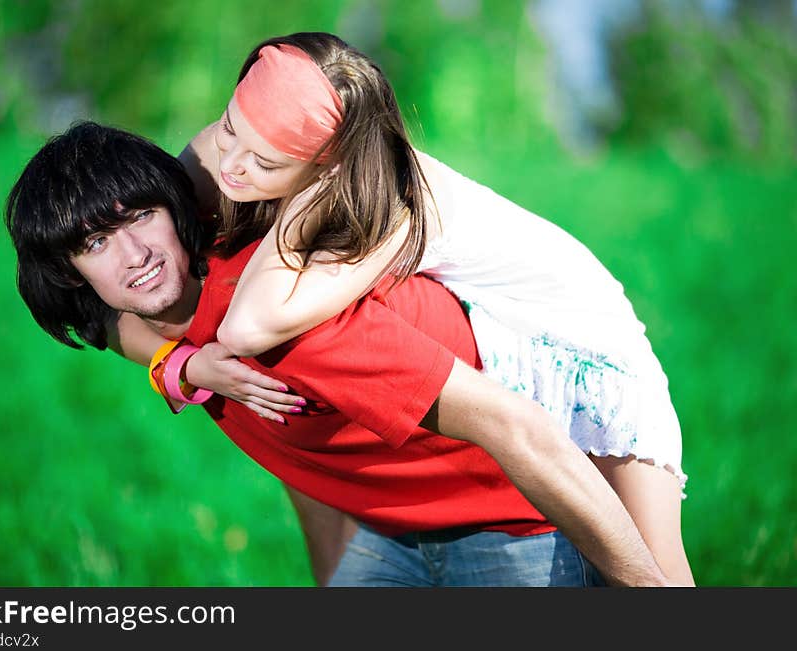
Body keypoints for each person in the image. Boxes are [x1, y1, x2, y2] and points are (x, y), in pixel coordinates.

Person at [110, 32, 694, 585]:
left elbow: (247, 325)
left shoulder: (379, 202)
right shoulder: (251, 145)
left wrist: (189, 361)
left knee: (657, 578)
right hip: (490, 331)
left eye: (264, 164)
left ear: (326, 165)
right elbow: (107, 283)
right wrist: (174, 365)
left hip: (582, 339)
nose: (230, 163)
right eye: (229, 128)